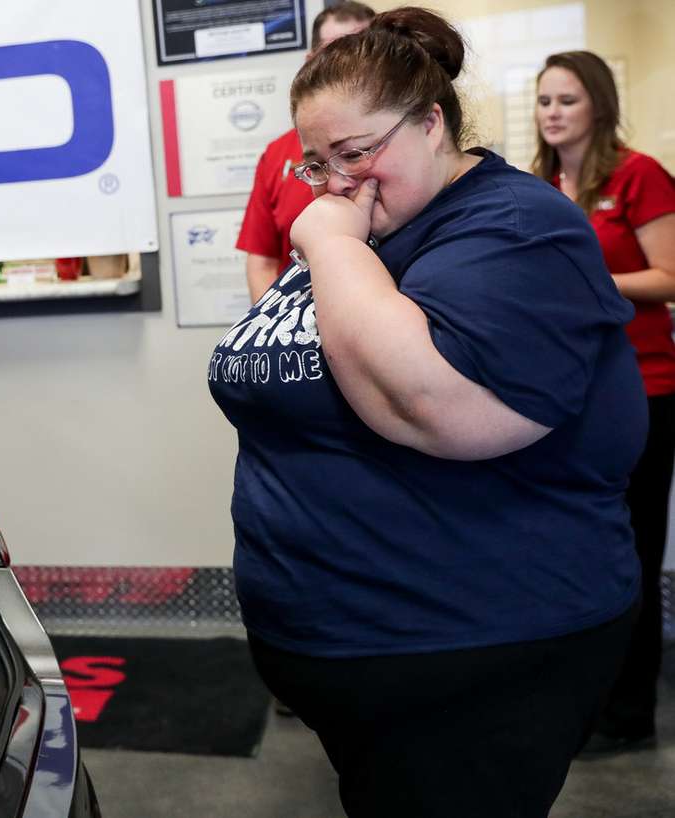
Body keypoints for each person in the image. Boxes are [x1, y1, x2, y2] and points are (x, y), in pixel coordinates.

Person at [207, 8, 646, 816]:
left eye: (357, 152)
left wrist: (329, 243)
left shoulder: (515, 229)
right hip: (346, 645)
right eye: (317, 163)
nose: (337, 181)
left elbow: (438, 407)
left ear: (432, 121)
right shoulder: (375, 224)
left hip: (475, 649)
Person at [534, 51, 675, 755]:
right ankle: (579, 705)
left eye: (567, 99)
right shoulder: (534, 184)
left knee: (633, 556)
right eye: (544, 100)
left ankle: (629, 715)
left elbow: (669, 277)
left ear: (599, 104)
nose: (553, 112)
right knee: (575, 556)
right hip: (562, 397)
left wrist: (590, 284)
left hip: (643, 391)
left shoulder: (638, 174)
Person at [237, 1, 375, 302]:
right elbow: (261, 262)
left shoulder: (393, 151)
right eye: (332, 52)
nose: (345, 65)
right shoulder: (277, 155)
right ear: (311, 60)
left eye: (352, 155)